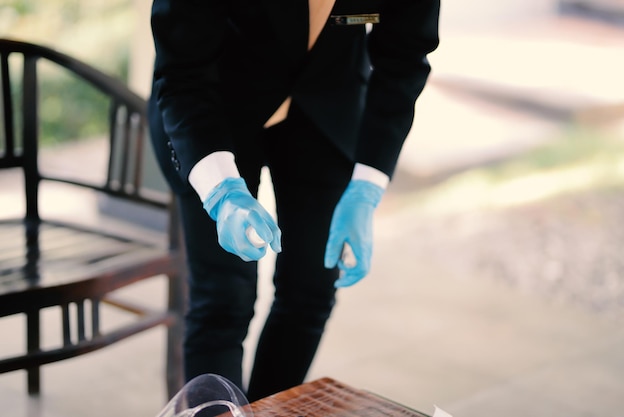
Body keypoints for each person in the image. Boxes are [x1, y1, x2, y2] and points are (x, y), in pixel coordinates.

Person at [148, 0, 440, 402]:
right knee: (222, 300)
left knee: (311, 291)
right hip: (216, 102)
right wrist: (222, 191)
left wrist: (368, 184)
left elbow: (405, 56)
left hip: (326, 102)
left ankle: (272, 411)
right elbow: (183, 70)